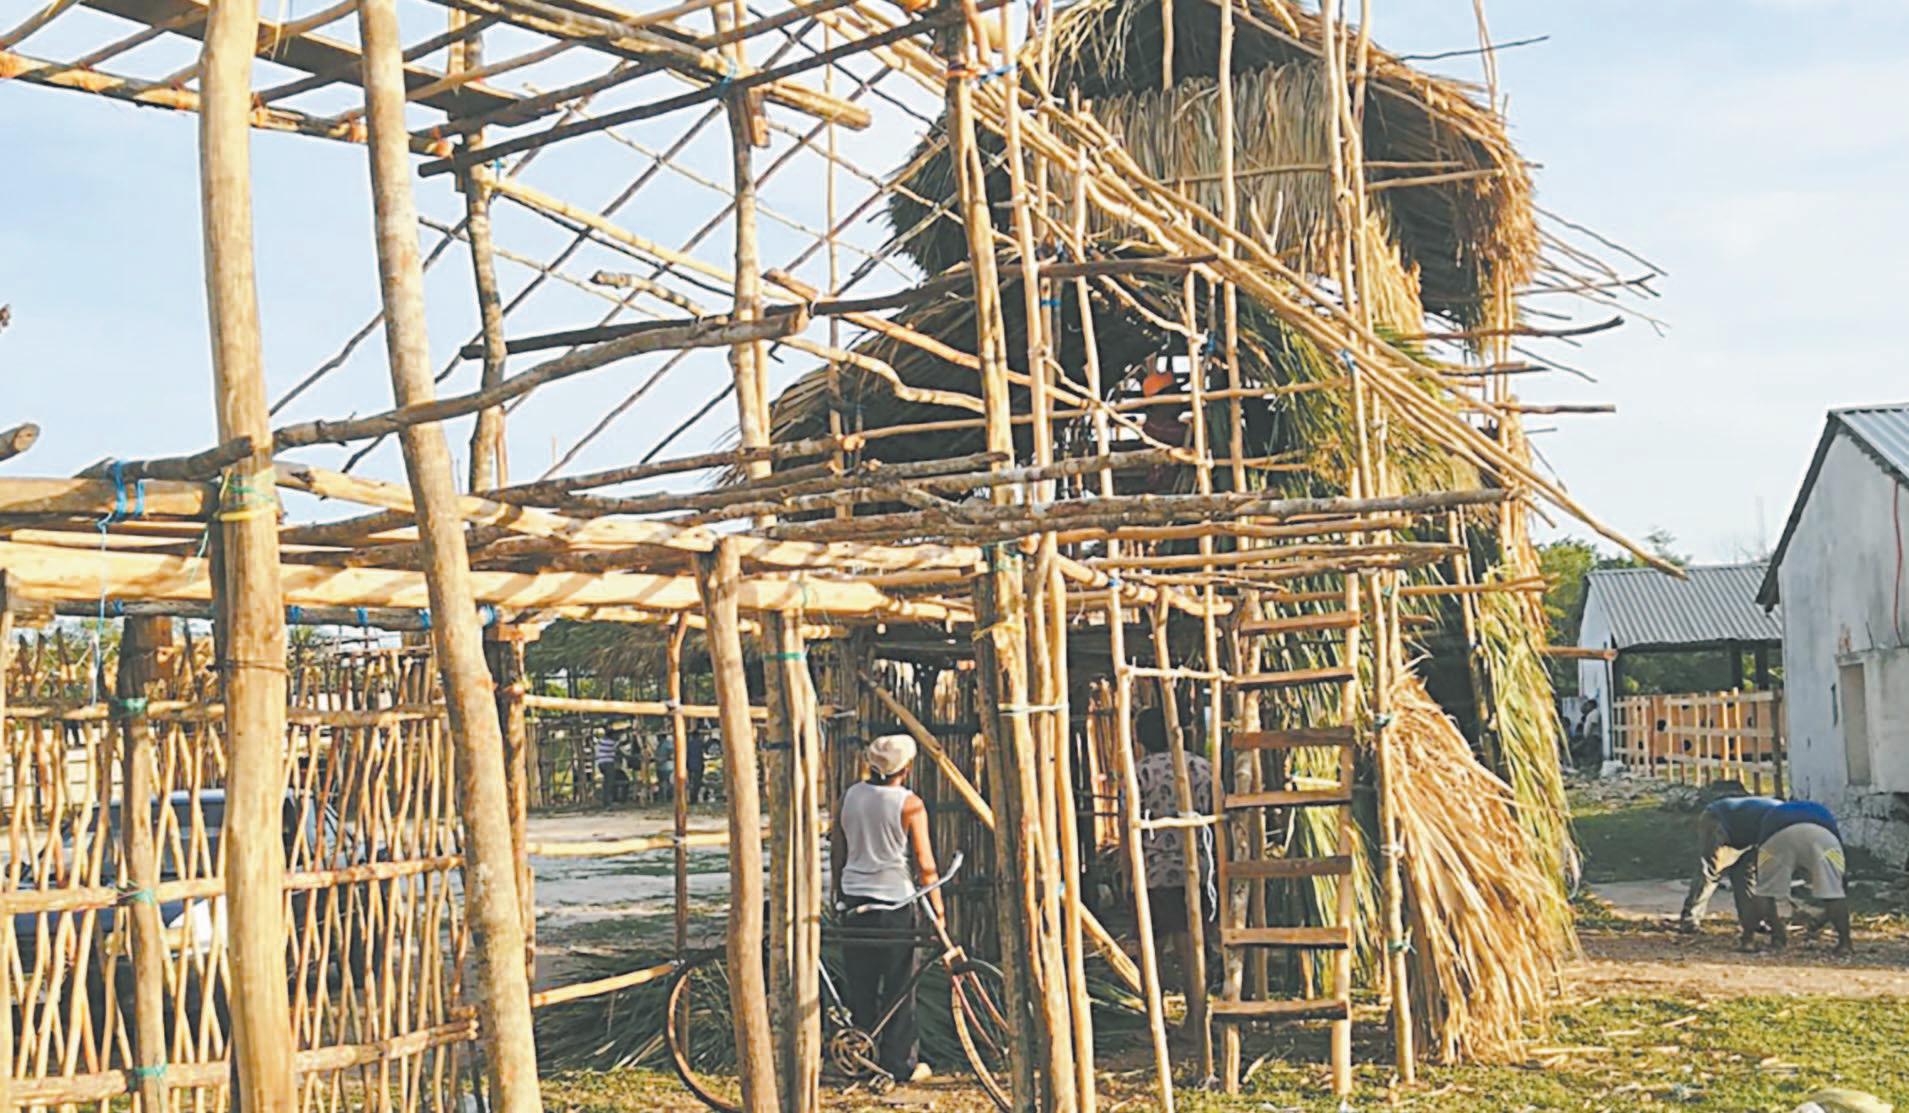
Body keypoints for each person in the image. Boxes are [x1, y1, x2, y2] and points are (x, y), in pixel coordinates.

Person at [830, 734, 943, 1085]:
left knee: (860, 984)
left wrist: (839, 891)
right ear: (906, 768)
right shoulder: (909, 804)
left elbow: (838, 849)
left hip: (854, 901)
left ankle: (862, 1056)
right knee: (900, 988)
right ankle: (899, 1064)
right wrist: (938, 910)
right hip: (895, 904)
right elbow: (925, 864)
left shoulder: (849, 797)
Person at [1133, 704, 1214, 996]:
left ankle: (1153, 1008)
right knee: (1191, 941)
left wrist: (1128, 871)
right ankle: (1196, 1007)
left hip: (1154, 870)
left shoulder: (1140, 773)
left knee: (1150, 943)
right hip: (1199, 867)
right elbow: (1219, 814)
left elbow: (1127, 824)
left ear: (1141, 738)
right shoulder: (1202, 768)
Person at [1746, 799, 1851, 954]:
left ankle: (1750, 940)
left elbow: (1761, 851)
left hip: (1777, 835)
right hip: (1823, 836)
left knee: (1764, 891)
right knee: (1834, 892)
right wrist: (1825, 916)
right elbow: (1842, 881)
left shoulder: (1772, 813)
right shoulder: (1821, 810)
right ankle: (1845, 944)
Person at [1678, 791, 1779, 933]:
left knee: (1746, 874)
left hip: (1747, 833)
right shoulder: (1781, 822)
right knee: (1712, 870)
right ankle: (1689, 920)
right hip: (1719, 819)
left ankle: (1752, 921)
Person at [594, 732, 627, 807]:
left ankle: (607, 802)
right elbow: (622, 744)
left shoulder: (602, 741)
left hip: (601, 763)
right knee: (609, 783)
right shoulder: (611, 742)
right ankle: (608, 803)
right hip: (607, 763)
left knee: (607, 783)